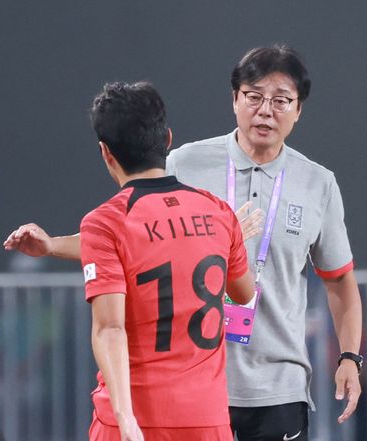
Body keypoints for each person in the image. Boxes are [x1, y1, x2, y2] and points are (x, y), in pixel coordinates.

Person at [5, 45, 363, 441]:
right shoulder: (184, 163)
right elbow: (126, 235)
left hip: (277, 386)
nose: (265, 111)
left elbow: (339, 279)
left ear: (298, 109)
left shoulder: (318, 183)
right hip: (199, 387)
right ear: (234, 98)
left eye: (281, 101)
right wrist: (52, 245)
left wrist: (350, 356)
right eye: (254, 96)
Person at [85, 81, 255, 440]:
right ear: (167, 139)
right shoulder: (217, 211)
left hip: (133, 421)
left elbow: (109, 328)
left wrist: (126, 418)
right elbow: (243, 293)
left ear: (105, 152)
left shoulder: (105, 222)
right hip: (207, 420)